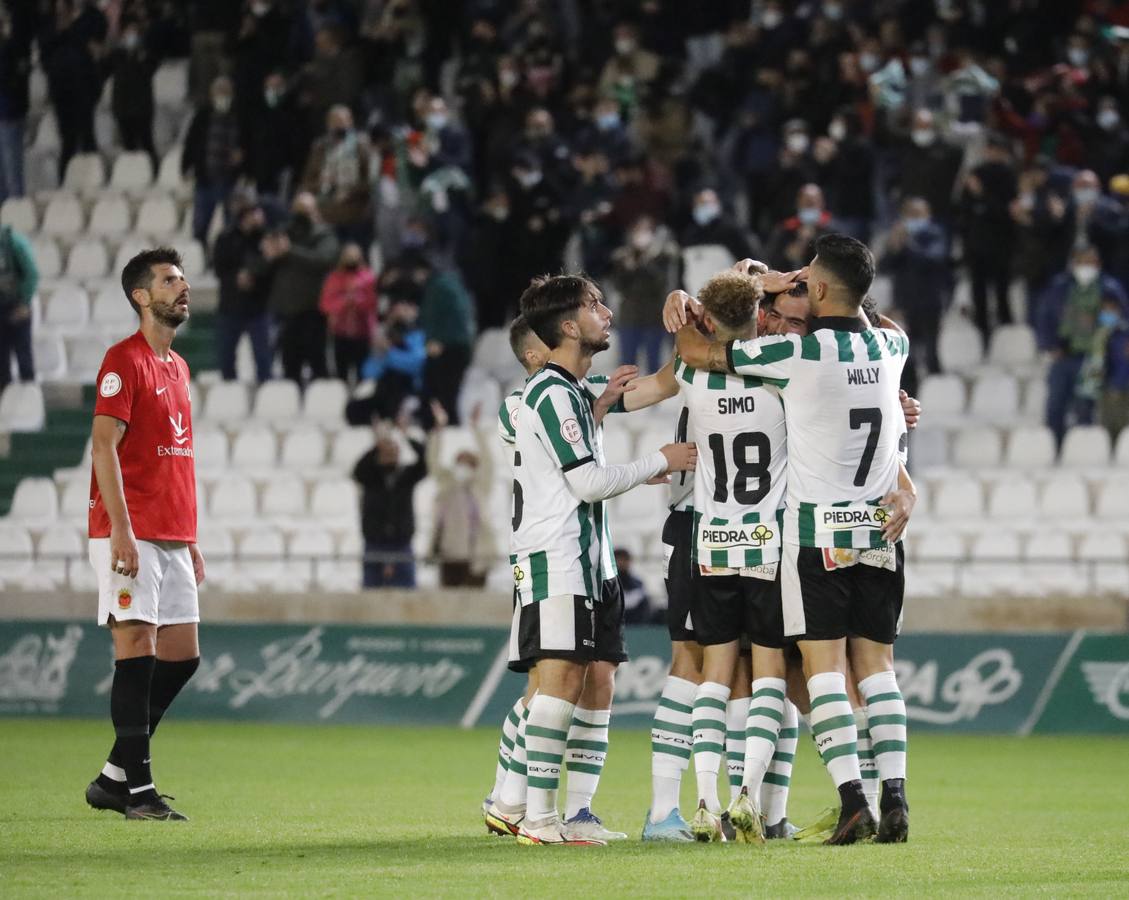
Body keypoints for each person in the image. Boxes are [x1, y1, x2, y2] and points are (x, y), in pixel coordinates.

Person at [675, 234, 917, 846]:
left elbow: (703, 353)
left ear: (822, 289)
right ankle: (896, 795)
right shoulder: (893, 346)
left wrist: (755, 284)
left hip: (816, 535)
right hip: (880, 527)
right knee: (879, 670)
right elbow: (879, 321)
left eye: (809, 277)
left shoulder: (792, 355)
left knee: (824, 671)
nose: (800, 282)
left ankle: (853, 799)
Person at [496, 274, 696, 847]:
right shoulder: (550, 394)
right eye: (594, 306)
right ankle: (535, 816)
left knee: (588, 680)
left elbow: (663, 383)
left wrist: (694, 315)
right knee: (556, 686)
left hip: (588, 563)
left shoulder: (577, 392)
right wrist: (656, 458)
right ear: (566, 327)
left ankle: (549, 811)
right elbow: (585, 482)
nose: (607, 313)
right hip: (557, 560)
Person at [82, 247, 204, 822]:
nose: (182, 288)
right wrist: (121, 533)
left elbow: (177, 457)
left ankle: (113, 776)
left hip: (172, 534)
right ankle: (138, 792)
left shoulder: (177, 367)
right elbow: (103, 447)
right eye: (169, 280)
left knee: (182, 656)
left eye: (182, 279)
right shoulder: (122, 361)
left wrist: (191, 537)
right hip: (127, 532)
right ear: (141, 296)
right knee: (135, 651)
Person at [1035, 245, 1128, 448]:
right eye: (1081, 262)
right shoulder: (1059, 287)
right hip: (1063, 356)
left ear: (1098, 264)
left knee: (1086, 407)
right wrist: (1049, 345)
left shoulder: (1110, 288)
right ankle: (1054, 448)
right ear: (1073, 263)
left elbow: (1121, 322)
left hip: (1094, 358)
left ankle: (1083, 449)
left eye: (1090, 262)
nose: (1086, 267)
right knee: (1055, 406)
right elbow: (1045, 318)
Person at [263, 192, 339, 385]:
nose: (301, 216)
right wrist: (270, 254)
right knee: (290, 364)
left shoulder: (323, 234)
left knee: (317, 363)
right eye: (298, 210)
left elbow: (325, 259)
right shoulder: (284, 233)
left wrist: (291, 251)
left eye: (305, 211)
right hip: (287, 311)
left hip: (313, 309)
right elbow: (262, 266)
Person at [352, 416, 427, 588]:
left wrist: (406, 435)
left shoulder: (406, 477)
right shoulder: (370, 476)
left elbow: (424, 463)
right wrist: (378, 444)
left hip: (401, 542)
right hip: (374, 542)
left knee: (407, 592)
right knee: (371, 591)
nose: (390, 453)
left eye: (394, 449)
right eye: (386, 451)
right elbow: (357, 470)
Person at [425, 400, 494, 587]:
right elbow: (433, 461)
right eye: (459, 462)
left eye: (467, 463)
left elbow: (488, 462)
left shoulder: (480, 486)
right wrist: (439, 429)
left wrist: (476, 429)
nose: (462, 467)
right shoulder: (447, 484)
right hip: (450, 556)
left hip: (476, 556)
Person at [960, 134, 1018, 343]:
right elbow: (965, 209)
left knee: (1002, 290)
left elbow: (1007, 211)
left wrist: (982, 197)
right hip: (977, 242)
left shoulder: (1008, 175)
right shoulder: (976, 173)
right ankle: (982, 332)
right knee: (979, 291)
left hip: (1001, 241)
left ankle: (1006, 332)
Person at [881, 197, 949, 377]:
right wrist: (894, 247)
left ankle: (936, 389)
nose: (914, 219)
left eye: (918, 215)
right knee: (906, 356)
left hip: (929, 303)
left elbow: (933, 260)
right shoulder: (898, 238)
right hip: (905, 304)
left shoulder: (935, 234)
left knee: (930, 354)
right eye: (910, 215)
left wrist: (908, 244)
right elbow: (883, 266)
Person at [211, 200, 272, 383]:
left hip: (258, 306)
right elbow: (219, 269)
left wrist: (253, 275)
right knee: (226, 354)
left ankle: (265, 389)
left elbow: (271, 266)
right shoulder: (226, 238)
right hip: (231, 305)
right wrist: (236, 279)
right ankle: (229, 388)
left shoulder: (265, 238)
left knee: (263, 355)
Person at [609, 216, 678, 372]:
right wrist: (629, 267)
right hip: (630, 317)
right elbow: (619, 285)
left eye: (646, 231)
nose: (641, 235)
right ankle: (626, 396)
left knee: (654, 364)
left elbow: (662, 284)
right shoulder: (622, 257)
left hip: (654, 318)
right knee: (627, 364)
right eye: (638, 231)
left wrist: (646, 263)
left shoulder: (664, 256)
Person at [300, 105, 373, 250]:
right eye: (334, 121)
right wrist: (322, 182)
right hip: (324, 215)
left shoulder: (362, 145)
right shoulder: (319, 147)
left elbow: (371, 182)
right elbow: (307, 182)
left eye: (342, 121)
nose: (338, 125)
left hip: (354, 213)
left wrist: (346, 184)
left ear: (350, 121)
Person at [182, 76, 243, 247]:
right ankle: (200, 255)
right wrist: (186, 166)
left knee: (231, 225)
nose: (222, 96)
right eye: (219, 92)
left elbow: (247, 144)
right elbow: (191, 142)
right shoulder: (202, 115)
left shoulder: (239, 116)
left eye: (225, 92)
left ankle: (226, 257)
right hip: (205, 177)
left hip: (230, 179)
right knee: (200, 224)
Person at [418, 256, 475, 424]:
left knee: (442, 396)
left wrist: (434, 339)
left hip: (446, 347)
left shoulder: (436, 288)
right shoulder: (454, 283)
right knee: (451, 395)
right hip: (462, 346)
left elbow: (431, 317)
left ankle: (440, 436)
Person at [105, 16, 160, 177]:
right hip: (123, 107)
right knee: (128, 147)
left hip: (142, 107)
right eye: (128, 31)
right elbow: (105, 68)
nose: (131, 34)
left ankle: (153, 173)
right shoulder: (117, 54)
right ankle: (133, 175)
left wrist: (140, 56)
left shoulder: (147, 53)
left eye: (134, 31)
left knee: (146, 143)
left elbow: (150, 69)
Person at [319, 242, 377, 385]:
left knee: (362, 374)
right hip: (340, 333)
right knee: (341, 375)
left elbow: (372, 303)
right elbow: (325, 304)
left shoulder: (368, 277)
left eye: (354, 256)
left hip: (362, 332)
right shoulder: (334, 277)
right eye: (348, 256)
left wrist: (357, 301)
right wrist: (345, 301)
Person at [0, 223, 38, 391]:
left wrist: (24, 302)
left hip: (17, 306)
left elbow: (32, 274)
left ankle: (29, 398)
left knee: (24, 356)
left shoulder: (14, 243)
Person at [614, 548, 656, 625]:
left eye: (625, 560)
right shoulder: (608, 584)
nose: (622, 563)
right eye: (619, 560)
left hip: (634, 623)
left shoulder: (637, 584)